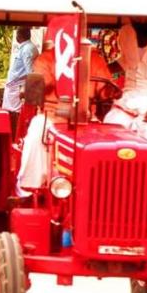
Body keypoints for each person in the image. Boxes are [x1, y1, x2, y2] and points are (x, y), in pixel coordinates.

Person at [16, 34, 112, 192]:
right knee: (36, 133)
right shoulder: (45, 59)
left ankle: (103, 190)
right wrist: (55, 80)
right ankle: (30, 188)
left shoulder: (95, 59)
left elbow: (105, 90)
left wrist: (110, 91)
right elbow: (40, 83)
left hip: (87, 118)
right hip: (52, 117)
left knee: (110, 144)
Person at [2, 27, 38, 112]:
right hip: (13, 85)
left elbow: (30, 72)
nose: (16, 36)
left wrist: (25, 87)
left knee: (16, 110)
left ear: (20, 35)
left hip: (18, 85)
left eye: (17, 34)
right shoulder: (25, 47)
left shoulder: (27, 49)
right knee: (10, 109)